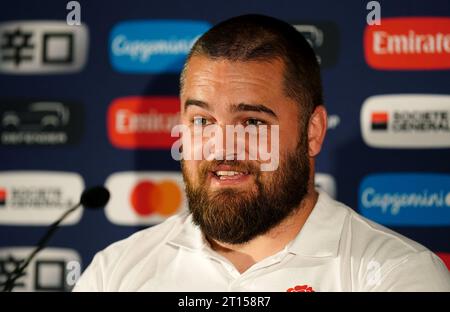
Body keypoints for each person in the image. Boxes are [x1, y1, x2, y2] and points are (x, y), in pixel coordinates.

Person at [74, 14, 450, 291]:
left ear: (312, 132)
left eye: (251, 123)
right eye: (202, 121)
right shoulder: (114, 273)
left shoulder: (398, 275)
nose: (221, 147)